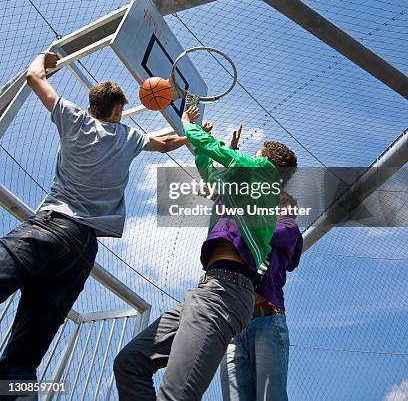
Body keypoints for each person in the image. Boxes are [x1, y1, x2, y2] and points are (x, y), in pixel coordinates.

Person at [0, 52, 189, 399]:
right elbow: (165, 144)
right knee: (22, 361)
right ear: (119, 112)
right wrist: (191, 130)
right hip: (82, 253)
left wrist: (46, 57)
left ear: (91, 108)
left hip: (50, 229)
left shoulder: (75, 119)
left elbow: (33, 76)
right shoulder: (129, 138)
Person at [114, 106, 297, 401]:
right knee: (129, 364)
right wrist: (199, 144)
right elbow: (211, 174)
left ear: (266, 160)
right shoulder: (244, 189)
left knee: (175, 395)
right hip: (208, 288)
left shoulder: (266, 177)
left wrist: (189, 126)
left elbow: (229, 158)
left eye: (258, 151)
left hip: (228, 291)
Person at [220, 191, 303, 401]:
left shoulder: (288, 226)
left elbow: (276, 235)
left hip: (266, 319)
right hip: (235, 324)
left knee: (270, 396)